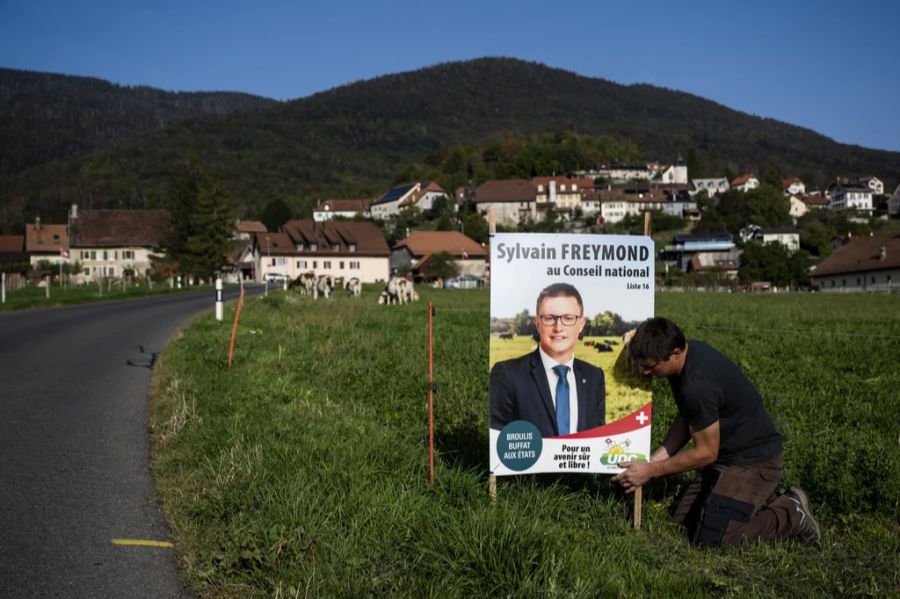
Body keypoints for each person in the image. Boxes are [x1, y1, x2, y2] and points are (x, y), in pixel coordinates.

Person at [612, 317, 821, 546]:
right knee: (682, 520)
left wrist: (650, 471)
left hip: (753, 462)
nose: (645, 372)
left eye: (651, 367)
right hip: (726, 459)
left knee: (713, 540)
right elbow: (689, 415)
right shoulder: (689, 355)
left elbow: (705, 453)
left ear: (675, 353)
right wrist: (656, 458)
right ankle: (753, 501)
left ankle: (792, 512)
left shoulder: (697, 385)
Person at [490, 282, 605, 438]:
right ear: (538, 324)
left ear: (581, 324)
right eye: (549, 318)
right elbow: (497, 440)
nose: (558, 327)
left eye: (568, 318)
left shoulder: (594, 376)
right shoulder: (508, 375)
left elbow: (599, 436)